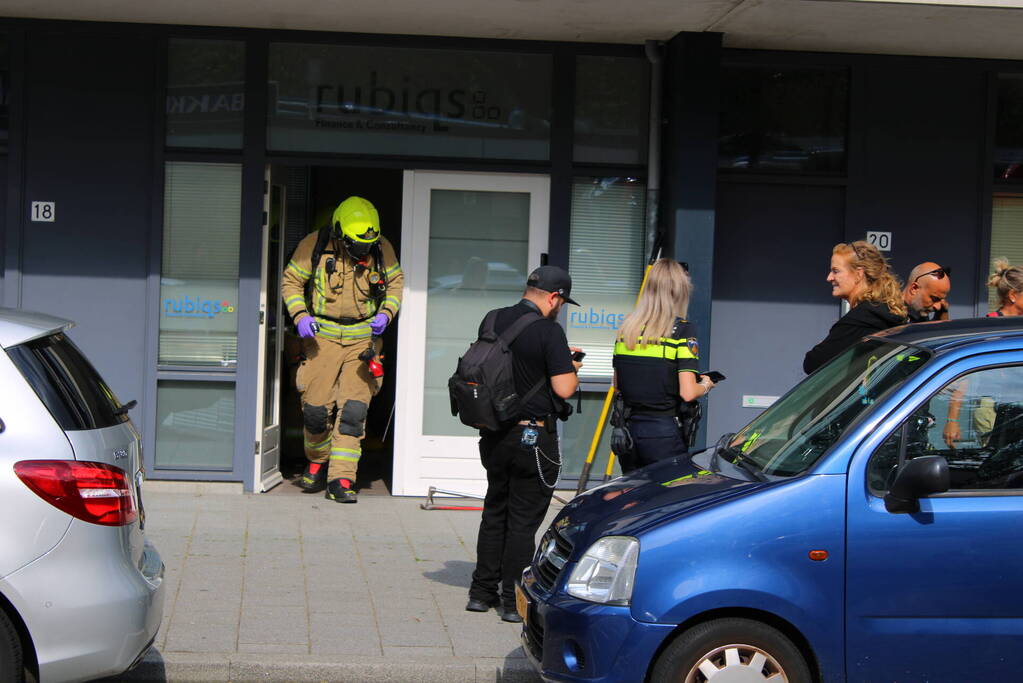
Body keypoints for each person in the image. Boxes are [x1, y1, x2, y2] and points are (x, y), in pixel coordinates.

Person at [466, 265, 582, 623]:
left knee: (495, 510)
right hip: (533, 438)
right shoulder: (549, 332)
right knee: (522, 520)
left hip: (495, 433)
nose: (560, 307)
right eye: (561, 301)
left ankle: (479, 592)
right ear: (553, 297)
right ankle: (510, 600)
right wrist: (571, 365)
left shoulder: (493, 319)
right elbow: (564, 389)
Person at [280, 196, 403, 503]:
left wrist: (386, 314)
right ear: (339, 231)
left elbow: (396, 283)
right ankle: (318, 460)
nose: (362, 250)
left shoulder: (379, 245)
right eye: (355, 245)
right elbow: (291, 281)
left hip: (363, 339)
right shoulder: (315, 244)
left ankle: (342, 478)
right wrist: (301, 316)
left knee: (353, 411)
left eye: (366, 245)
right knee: (316, 411)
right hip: (322, 337)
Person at [612, 259, 714, 473]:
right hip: (663, 432)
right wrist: (705, 384)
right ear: (680, 292)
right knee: (665, 499)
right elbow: (687, 392)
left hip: (628, 431)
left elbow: (618, 384)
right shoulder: (682, 331)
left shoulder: (626, 328)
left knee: (632, 498)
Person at [943, 259, 1023, 447]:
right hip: (993, 409)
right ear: (1013, 295)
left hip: (1017, 404)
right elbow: (964, 375)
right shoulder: (990, 326)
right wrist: (952, 421)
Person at [803, 241, 907, 374]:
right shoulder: (887, 311)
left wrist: (823, 343)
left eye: (836, 271)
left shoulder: (858, 321)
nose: (829, 278)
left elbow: (812, 362)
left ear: (858, 274)